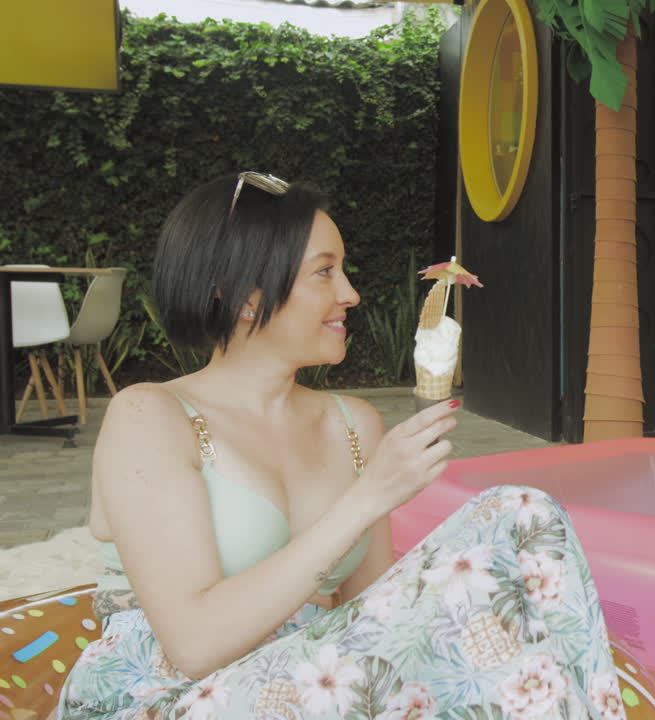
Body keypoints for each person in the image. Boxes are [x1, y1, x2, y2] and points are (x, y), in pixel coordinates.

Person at [60, 172, 622, 719]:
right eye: (323, 273)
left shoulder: (354, 424)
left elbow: (373, 616)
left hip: (316, 676)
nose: (350, 294)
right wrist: (367, 498)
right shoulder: (150, 416)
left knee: (522, 513)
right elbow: (195, 644)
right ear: (243, 296)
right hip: (168, 693)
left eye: (343, 271)